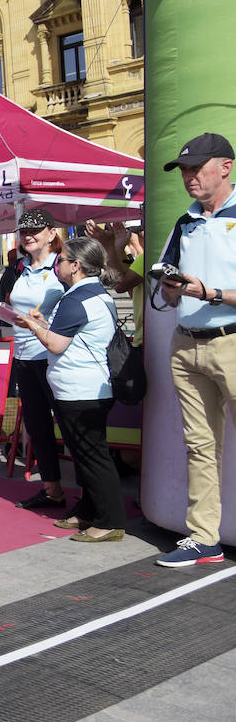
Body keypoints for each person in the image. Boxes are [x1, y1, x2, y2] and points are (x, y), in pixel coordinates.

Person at [154, 133, 236, 567]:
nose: (188, 177)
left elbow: (209, 290)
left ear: (225, 167)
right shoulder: (184, 221)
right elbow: (169, 292)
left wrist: (211, 292)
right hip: (186, 344)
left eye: (196, 168)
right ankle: (205, 537)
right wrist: (171, 290)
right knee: (199, 445)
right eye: (184, 169)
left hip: (232, 341)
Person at [13, 237, 127, 542]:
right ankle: (90, 511)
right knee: (85, 455)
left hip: (82, 389)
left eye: (61, 260)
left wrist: (33, 325)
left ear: (75, 266)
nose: (57, 264)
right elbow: (69, 334)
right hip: (84, 387)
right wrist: (43, 323)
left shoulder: (77, 298)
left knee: (92, 457)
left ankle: (110, 520)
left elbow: (55, 343)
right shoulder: (90, 294)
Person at [0, 208, 68, 510]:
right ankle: (52, 490)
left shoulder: (62, 265)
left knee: (68, 426)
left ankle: (93, 496)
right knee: (38, 426)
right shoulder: (19, 267)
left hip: (54, 355)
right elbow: (10, 302)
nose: (27, 235)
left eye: (35, 230)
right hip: (25, 354)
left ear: (51, 233)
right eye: (23, 231)